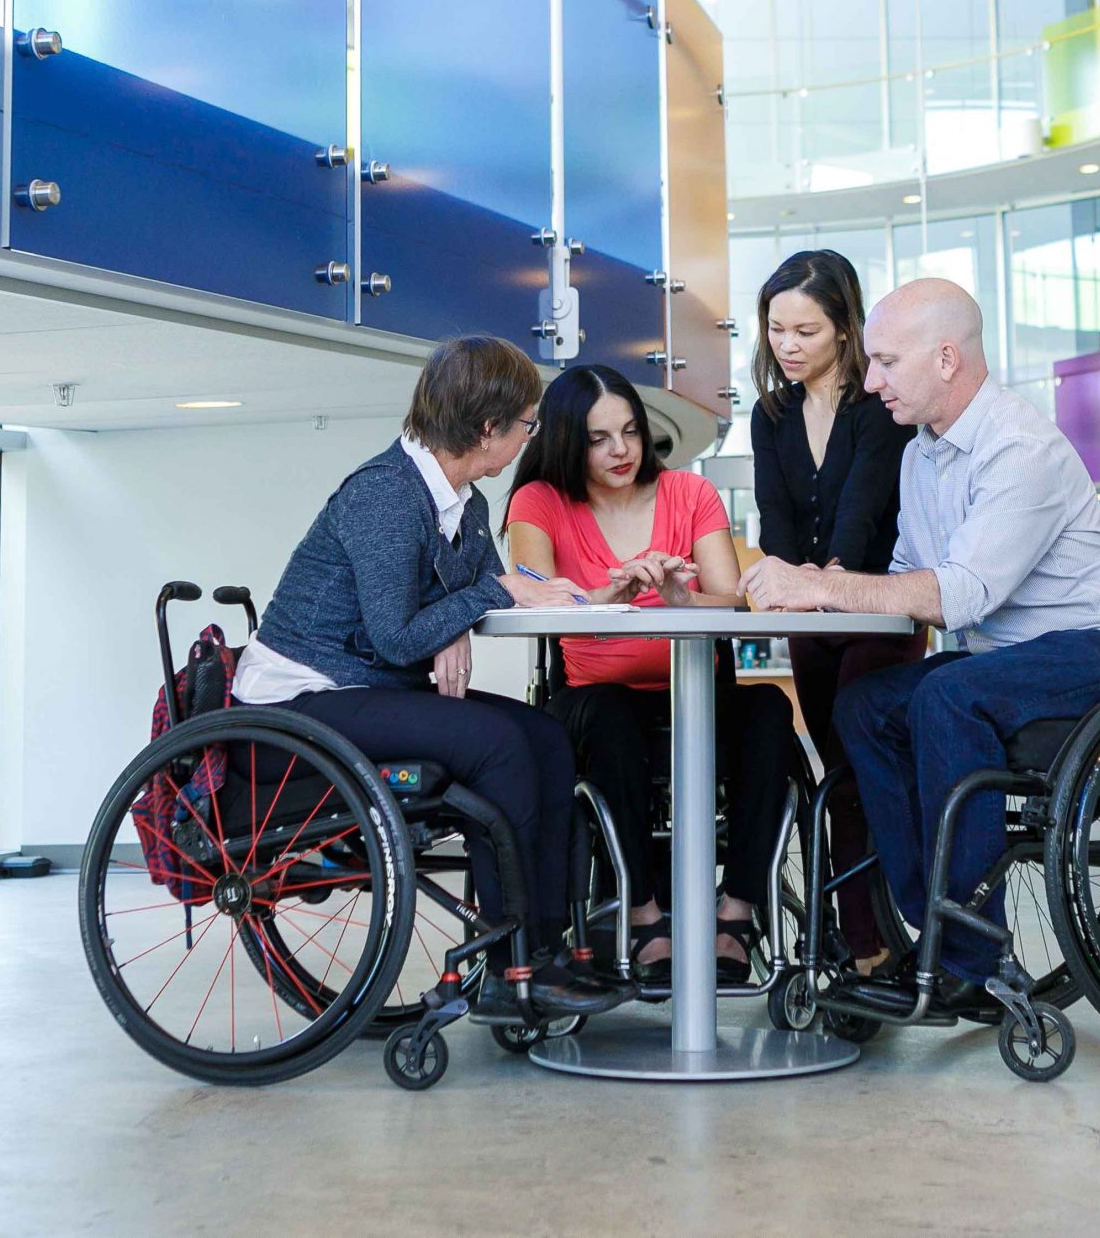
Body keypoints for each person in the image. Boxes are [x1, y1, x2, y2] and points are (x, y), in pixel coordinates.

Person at [742, 278, 1100, 1023]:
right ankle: (938, 923)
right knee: (867, 704)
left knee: (950, 693)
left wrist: (822, 590)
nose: (870, 379)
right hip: (1011, 663)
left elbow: (960, 593)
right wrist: (821, 586)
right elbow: (911, 573)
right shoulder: (925, 455)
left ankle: (969, 956)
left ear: (946, 358)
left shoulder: (1020, 447)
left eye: (885, 361)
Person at [235, 335, 622, 1018]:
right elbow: (404, 631)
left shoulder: (464, 503)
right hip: (302, 700)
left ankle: (552, 944)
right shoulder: (385, 495)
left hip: (369, 684)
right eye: (527, 424)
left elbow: (473, 594)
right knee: (497, 745)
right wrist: (471, 607)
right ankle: (512, 965)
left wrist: (461, 617)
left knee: (546, 735)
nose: (532, 436)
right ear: (486, 428)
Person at [505, 365, 799, 984]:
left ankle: (737, 910)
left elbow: (729, 596)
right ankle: (643, 914)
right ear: (565, 440)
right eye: (599, 438)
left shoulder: (691, 495)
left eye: (631, 432)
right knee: (610, 716)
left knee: (771, 709)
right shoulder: (539, 502)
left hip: (697, 693)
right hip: (595, 700)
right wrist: (604, 592)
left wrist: (680, 602)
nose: (621, 451)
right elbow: (530, 595)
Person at [746, 249, 920, 967]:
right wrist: (786, 581)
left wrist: (818, 582)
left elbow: (859, 520)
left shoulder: (879, 411)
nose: (786, 345)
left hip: (874, 616)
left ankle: (867, 942)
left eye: (806, 331)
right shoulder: (772, 413)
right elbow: (775, 525)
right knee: (834, 777)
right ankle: (862, 936)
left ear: (846, 329)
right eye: (776, 328)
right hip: (810, 626)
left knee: (857, 770)